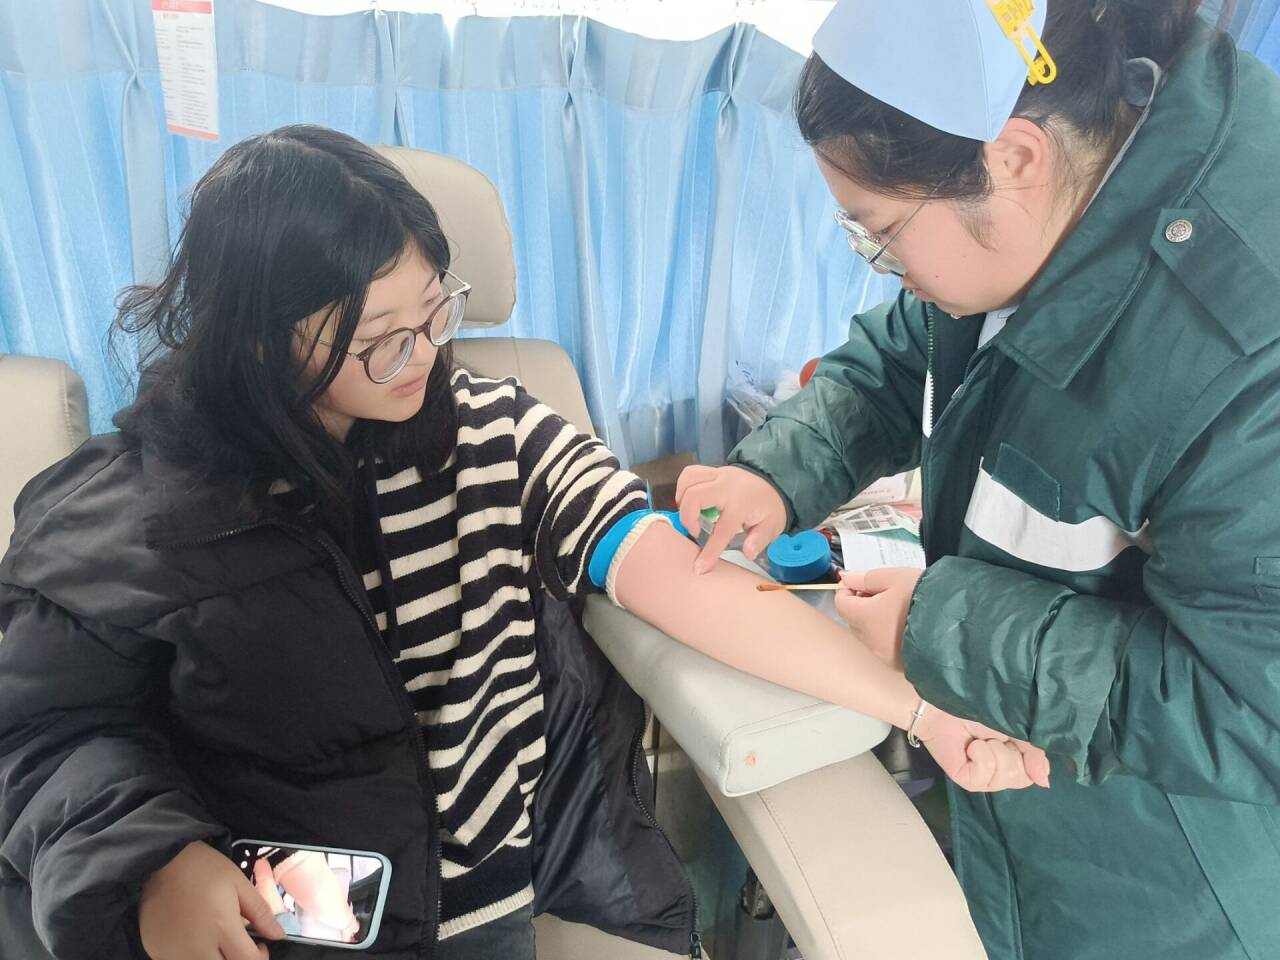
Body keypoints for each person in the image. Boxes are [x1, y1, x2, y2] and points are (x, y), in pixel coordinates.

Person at [0, 125, 1047, 960]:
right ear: (258, 338)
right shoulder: (143, 513)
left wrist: (918, 710)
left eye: (435, 312)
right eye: (378, 342)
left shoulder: (494, 433)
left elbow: (678, 579)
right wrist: (153, 860)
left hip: (484, 907)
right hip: (284, 922)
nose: (422, 357)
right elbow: (45, 732)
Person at [677, 2, 1280, 959]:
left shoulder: (1247, 348)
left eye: (881, 234)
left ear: (1013, 158)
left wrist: (941, 629)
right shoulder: (1050, 209)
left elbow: (1252, 709)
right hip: (1025, 822)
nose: (884, 269)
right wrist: (775, 471)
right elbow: (908, 352)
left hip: (1173, 890)